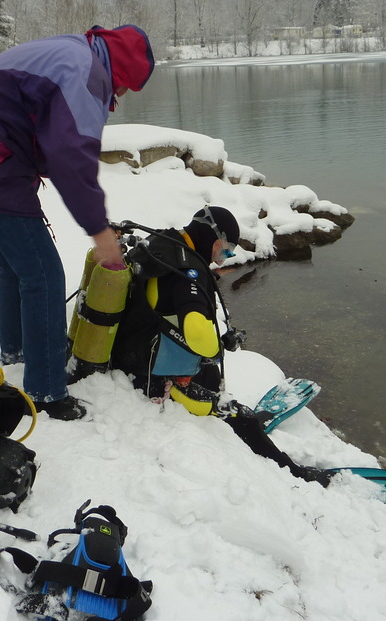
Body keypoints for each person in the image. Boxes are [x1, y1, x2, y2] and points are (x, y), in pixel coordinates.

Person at [0, 25, 155, 421]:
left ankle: (18, 354)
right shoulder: (86, 73)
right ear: (122, 71)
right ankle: (46, 391)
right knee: (44, 277)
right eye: (126, 86)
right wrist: (99, 230)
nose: (121, 95)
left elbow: (41, 128)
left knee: (13, 267)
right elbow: (71, 155)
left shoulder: (72, 50)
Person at [109, 206, 338, 487]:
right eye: (226, 251)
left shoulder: (165, 244)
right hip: (155, 378)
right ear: (214, 239)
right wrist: (216, 348)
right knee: (241, 417)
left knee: (211, 378)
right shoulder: (189, 272)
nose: (223, 259)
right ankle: (294, 473)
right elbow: (196, 329)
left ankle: (244, 421)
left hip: (137, 352)